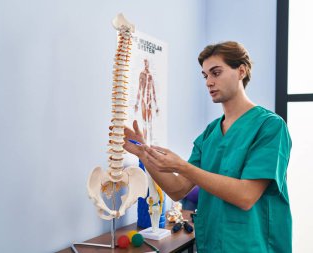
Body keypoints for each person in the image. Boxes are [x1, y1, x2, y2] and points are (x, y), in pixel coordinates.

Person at [124, 41, 292, 253]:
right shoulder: (210, 134)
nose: (209, 82)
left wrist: (184, 167)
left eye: (216, 73)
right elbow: (177, 189)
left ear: (242, 71)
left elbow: (246, 196)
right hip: (212, 245)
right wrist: (144, 154)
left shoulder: (270, 127)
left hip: (252, 246)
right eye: (205, 76)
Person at [134, 58, 159, 144]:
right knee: (145, 123)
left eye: (147, 63)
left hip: (150, 101)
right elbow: (139, 88)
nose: (146, 65)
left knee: (150, 124)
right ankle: (145, 143)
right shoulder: (142, 74)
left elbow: (154, 91)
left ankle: (151, 144)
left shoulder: (151, 75)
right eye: (145, 63)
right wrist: (136, 104)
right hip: (144, 101)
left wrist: (156, 106)